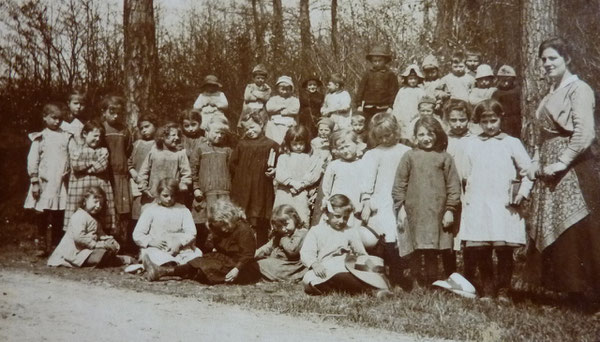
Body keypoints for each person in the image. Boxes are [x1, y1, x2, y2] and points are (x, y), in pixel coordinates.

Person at [528, 37, 600, 302]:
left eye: (553, 58)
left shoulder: (579, 89)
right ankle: (565, 291)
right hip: (550, 167)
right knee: (555, 224)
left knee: (577, 226)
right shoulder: (550, 92)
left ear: (567, 59)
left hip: (575, 168)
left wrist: (563, 161)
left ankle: (588, 295)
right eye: (543, 59)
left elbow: (585, 133)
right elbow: (541, 135)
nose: (547, 64)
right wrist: (536, 159)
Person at [458, 99, 533, 300]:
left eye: (493, 120)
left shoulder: (511, 143)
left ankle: (503, 289)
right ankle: (488, 288)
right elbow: (465, 174)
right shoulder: (472, 144)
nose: (490, 126)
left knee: (503, 248)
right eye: (485, 121)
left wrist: (522, 192)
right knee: (482, 248)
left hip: (504, 204)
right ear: (478, 122)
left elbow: (528, 171)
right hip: (480, 202)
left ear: (501, 119)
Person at [392, 116, 461, 287]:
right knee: (415, 248)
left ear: (437, 134)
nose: (426, 138)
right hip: (414, 211)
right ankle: (416, 282)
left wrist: (450, 209)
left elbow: (454, 186)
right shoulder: (409, 156)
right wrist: (400, 208)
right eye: (421, 134)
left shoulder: (445, 158)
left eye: (430, 134)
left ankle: (433, 282)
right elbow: (399, 184)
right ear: (415, 137)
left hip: (436, 212)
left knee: (432, 249)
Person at [142, 198, 259, 285]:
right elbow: (215, 245)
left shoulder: (243, 229)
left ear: (228, 220)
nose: (222, 229)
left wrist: (236, 269)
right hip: (223, 258)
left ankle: (164, 272)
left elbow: (248, 254)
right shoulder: (220, 226)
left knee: (207, 267)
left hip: (239, 267)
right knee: (198, 261)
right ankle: (163, 271)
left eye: (222, 225)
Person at [300, 194, 391, 296]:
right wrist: (315, 264)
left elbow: (360, 252)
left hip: (344, 266)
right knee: (311, 279)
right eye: (337, 216)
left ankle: (371, 290)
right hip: (324, 268)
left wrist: (369, 265)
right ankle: (346, 289)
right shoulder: (316, 231)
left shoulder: (349, 231)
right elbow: (307, 252)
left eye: (345, 218)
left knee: (348, 277)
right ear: (327, 213)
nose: (341, 221)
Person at [361, 113, 411, 285]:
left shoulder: (406, 151)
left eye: (388, 135)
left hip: (402, 198)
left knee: (401, 235)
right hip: (381, 199)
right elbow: (367, 179)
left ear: (396, 131)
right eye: (380, 136)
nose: (384, 139)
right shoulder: (373, 154)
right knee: (384, 236)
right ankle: (381, 275)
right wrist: (366, 202)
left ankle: (401, 275)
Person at [24, 103, 71, 256]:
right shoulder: (40, 137)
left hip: (60, 183)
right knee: (42, 213)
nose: (57, 122)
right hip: (45, 182)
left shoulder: (65, 136)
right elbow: (33, 160)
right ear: (45, 117)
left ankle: (57, 244)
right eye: (53, 118)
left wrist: (69, 169)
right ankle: (42, 243)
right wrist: (34, 180)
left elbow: (69, 156)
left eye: (59, 119)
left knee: (59, 213)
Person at [230, 109, 278, 246]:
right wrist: (242, 176)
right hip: (243, 187)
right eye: (246, 129)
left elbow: (277, 164)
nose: (249, 131)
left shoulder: (271, 145)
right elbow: (232, 164)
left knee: (259, 214)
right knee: (243, 215)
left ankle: (260, 246)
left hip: (261, 187)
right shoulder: (242, 144)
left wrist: (273, 171)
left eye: (252, 127)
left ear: (261, 124)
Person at [64, 121, 117, 237]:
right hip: (80, 189)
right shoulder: (77, 149)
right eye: (95, 135)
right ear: (84, 134)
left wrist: (87, 168)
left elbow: (102, 166)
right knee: (80, 212)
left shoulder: (103, 150)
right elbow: (76, 164)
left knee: (100, 210)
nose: (98, 139)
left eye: (100, 136)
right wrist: (92, 163)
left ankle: (102, 237)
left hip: (99, 186)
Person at [48, 186, 123, 267]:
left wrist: (109, 240)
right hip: (73, 252)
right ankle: (117, 260)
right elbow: (79, 237)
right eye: (95, 202)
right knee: (100, 255)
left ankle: (112, 259)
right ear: (84, 201)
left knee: (105, 251)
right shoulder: (79, 216)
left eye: (101, 204)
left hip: (86, 250)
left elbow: (101, 234)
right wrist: (96, 245)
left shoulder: (95, 219)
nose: (98, 206)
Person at [133, 178, 202, 266]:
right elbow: (138, 234)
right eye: (165, 196)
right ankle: (171, 267)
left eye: (172, 196)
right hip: (158, 248)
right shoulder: (151, 210)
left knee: (196, 256)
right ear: (159, 194)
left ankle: (174, 267)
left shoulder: (183, 210)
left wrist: (179, 243)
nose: (169, 199)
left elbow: (191, 232)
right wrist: (151, 242)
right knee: (153, 255)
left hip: (180, 248)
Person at [189, 116, 233, 246]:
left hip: (224, 194)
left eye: (222, 133)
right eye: (216, 132)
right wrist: (196, 187)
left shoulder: (228, 150)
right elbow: (193, 169)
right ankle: (203, 251)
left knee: (223, 222)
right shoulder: (200, 149)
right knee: (203, 224)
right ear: (207, 132)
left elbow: (233, 170)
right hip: (205, 194)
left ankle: (220, 249)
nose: (219, 136)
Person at [273, 125, 323, 226]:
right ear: (289, 143)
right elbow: (280, 173)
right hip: (285, 192)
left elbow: (314, 173)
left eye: (301, 143)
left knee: (301, 216)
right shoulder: (284, 157)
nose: (298, 146)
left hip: (301, 193)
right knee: (281, 215)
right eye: (295, 144)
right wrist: (291, 183)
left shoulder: (311, 158)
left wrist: (302, 184)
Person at [100, 95, 132, 244]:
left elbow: (128, 149)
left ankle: (123, 240)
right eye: (112, 112)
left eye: (119, 113)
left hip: (121, 174)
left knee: (122, 208)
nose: (116, 116)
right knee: (105, 207)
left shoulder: (125, 130)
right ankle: (105, 238)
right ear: (104, 112)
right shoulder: (101, 128)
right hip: (105, 174)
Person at [137, 122, 192, 204]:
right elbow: (143, 172)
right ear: (163, 137)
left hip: (173, 196)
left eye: (178, 135)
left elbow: (186, 173)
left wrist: (183, 184)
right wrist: (143, 187)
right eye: (173, 135)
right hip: (153, 196)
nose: (177, 138)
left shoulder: (180, 154)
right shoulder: (154, 153)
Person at [127, 114, 158, 252]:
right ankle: (133, 246)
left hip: (152, 185)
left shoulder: (158, 144)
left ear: (155, 126)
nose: (144, 130)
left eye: (147, 126)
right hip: (137, 183)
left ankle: (150, 245)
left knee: (151, 214)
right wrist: (134, 173)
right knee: (136, 214)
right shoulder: (137, 144)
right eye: (141, 128)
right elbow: (129, 163)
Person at [321, 130, 368, 219]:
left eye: (347, 146)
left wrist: (362, 203)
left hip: (355, 205)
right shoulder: (334, 165)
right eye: (341, 148)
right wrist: (326, 200)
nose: (345, 151)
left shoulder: (363, 164)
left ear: (356, 144)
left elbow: (365, 186)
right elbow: (327, 186)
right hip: (336, 205)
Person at [255, 204, 308, 282]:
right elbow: (268, 247)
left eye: (286, 224)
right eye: (279, 226)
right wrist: (254, 254)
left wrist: (283, 239)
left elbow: (292, 250)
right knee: (255, 263)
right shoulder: (282, 234)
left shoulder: (301, 233)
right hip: (278, 262)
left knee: (260, 265)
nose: (283, 229)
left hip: (290, 267)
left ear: (295, 218)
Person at [355, 45, 399, 123]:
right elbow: (361, 90)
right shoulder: (367, 74)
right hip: (368, 107)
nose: (377, 63)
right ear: (372, 62)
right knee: (368, 126)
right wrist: (358, 104)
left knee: (382, 126)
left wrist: (391, 106)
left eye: (380, 61)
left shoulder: (390, 74)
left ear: (385, 61)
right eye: (375, 61)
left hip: (383, 107)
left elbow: (394, 92)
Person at [392, 64, 426, 140]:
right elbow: (396, 103)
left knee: (412, 133)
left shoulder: (420, 91)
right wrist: (395, 114)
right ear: (406, 79)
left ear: (418, 79)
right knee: (401, 134)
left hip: (414, 115)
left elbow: (423, 105)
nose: (413, 81)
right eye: (410, 78)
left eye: (415, 79)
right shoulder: (402, 90)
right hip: (401, 116)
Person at [265, 75, 300, 144]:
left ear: (291, 89)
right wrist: (281, 107)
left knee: (287, 139)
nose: (284, 92)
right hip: (275, 124)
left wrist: (280, 112)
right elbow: (269, 108)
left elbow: (295, 110)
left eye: (287, 89)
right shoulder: (273, 99)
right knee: (274, 141)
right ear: (278, 89)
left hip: (289, 123)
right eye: (282, 89)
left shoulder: (294, 99)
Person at [492, 65, 521, 138]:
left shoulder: (518, 91)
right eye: (503, 80)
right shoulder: (496, 93)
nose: (506, 83)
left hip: (517, 120)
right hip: (503, 120)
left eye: (508, 81)